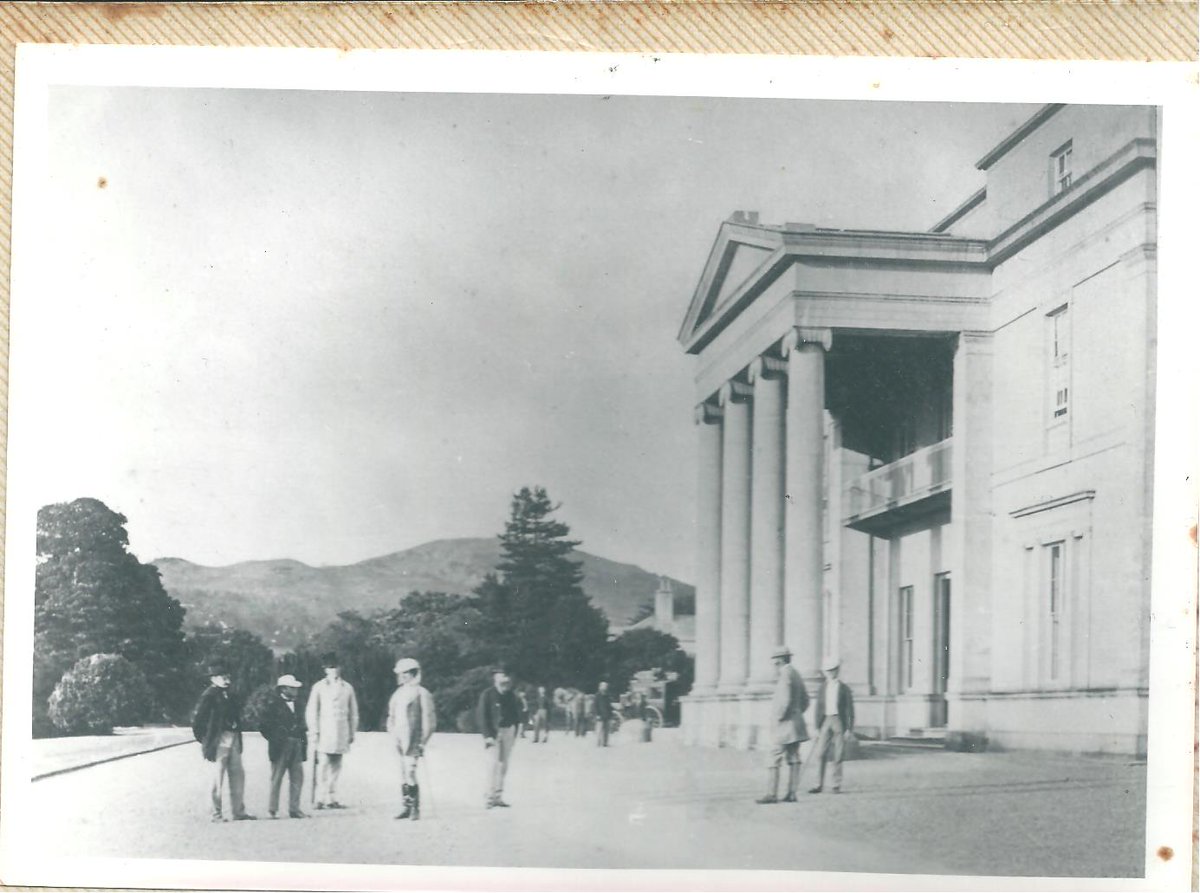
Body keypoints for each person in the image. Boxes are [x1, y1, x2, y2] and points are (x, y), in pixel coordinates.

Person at [191, 663, 255, 822]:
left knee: (238, 775)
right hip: (218, 740)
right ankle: (216, 813)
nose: (227, 680)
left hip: (232, 738)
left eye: (228, 676)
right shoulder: (209, 695)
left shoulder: (230, 695)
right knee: (217, 777)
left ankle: (238, 812)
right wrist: (206, 740)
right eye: (223, 677)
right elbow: (197, 720)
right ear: (214, 679)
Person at [305, 652, 359, 809]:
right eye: (330, 667)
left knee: (336, 765)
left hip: (341, 731)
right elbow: (311, 711)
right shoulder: (319, 687)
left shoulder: (347, 688)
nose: (333, 670)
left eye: (335, 667)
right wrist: (314, 731)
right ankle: (319, 798)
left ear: (340, 668)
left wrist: (352, 732)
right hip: (325, 732)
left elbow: (353, 712)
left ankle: (332, 798)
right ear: (325, 670)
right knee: (323, 765)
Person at [757, 646, 810, 804]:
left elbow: (785, 699)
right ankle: (792, 793)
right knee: (793, 757)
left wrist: (779, 717)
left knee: (773, 757)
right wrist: (797, 713)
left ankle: (771, 794)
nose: (774, 667)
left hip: (784, 725)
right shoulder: (796, 673)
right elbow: (806, 700)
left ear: (779, 661)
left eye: (774, 663)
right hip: (796, 723)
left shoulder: (785, 674)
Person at [386, 657, 436, 820]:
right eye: (400, 673)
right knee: (402, 773)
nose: (401, 676)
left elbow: (429, 721)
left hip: (413, 738)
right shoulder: (398, 694)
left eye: (405, 673)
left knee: (411, 771)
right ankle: (406, 806)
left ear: (413, 673)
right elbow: (391, 717)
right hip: (398, 738)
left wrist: (423, 741)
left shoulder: (422, 693)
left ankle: (415, 807)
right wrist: (393, 735)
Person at [260, 674, 308, 819]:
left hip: (297, 743)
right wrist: (275, 738)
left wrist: (303, 743)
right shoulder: (273, 704)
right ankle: (272, 809)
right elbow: (263, 726)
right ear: (284, 689)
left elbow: (303, 725)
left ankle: (294, 809)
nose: (296, 691)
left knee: (297, 777)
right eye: (292, 688)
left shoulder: (299, 704)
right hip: (280, 745)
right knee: (277, 777)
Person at [809, 658, 855, 794]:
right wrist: (817, 727)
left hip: (838, 721)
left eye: (833, 670)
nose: (831, 673)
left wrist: (849, 729)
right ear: (825, 672)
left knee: (838, 754)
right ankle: (818, 784)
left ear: (838, 671)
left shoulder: (844, 688)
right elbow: (818, 708)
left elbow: (850, 710)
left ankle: (836, 784)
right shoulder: (822, 688)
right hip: (825, 722)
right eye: (828, 671)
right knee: (820, 753)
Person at [477, 668, 520, 808]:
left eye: (506, 678)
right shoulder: (487, 695)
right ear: (495, 678)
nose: (504, 681)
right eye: (501, 677)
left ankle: (498, 796)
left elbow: (516, 715)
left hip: (508, 731)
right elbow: (482, 716)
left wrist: (515, 733)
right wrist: (487, 736)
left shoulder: (511, 695)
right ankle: (489, 797)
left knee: (504, 765)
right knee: (492, 764)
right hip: (494, 733)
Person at [594, 681, 613, 747]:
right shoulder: (597, 695)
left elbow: (609, 706)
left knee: (606, 731)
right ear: (600, 687)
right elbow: (595, 706)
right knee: (599, 730)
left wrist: (611, 714)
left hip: (607, 715)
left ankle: (605, 743)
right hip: (600, 715)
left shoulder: (607, 695)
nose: (605, 688)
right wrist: (597, 714)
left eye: (606, 687)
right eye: (603, 687)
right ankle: (598, 743)